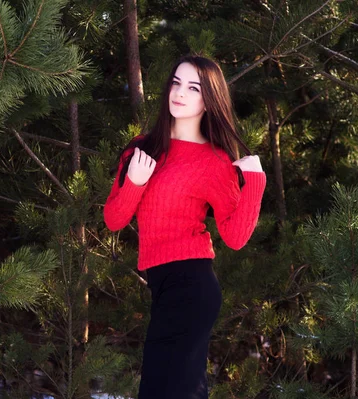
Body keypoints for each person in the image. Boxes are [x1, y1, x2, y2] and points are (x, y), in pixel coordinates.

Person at [103, 55, 267, 399]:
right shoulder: (141, 148)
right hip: (162, 285)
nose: (180, 93)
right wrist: (134, 181)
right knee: (164, 389)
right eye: (176, 83)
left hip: (192, 285)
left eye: (193, 88)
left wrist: (255, 182)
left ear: (209, 100)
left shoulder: (215, 162)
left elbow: (235, 238)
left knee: (173, 390)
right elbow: (114, 219)